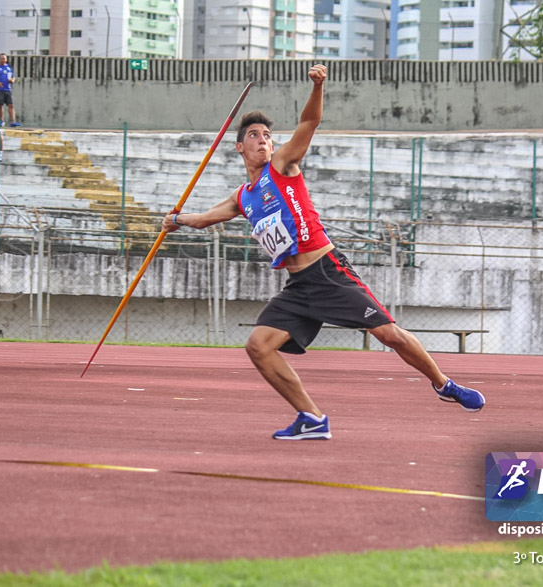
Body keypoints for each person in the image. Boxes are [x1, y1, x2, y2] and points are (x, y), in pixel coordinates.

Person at [161, 65, 485, 441]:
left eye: (267, 135)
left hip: (328, 272)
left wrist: (318, 86)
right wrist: (177, 219)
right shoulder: (242, 196)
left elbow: (310, 122)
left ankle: (444, 384)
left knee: (390, 335)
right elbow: (205, 218)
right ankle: (312, 418)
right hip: (298, 286)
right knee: (258, 346)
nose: (263, 141)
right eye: (254, 136)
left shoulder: (282, 166)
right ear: (239, 147)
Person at [0, 53, 21, 128]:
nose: (3, 59)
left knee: (11, 105)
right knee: (0, 105)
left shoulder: (9, 67)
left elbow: (13, 77)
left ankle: (13, 121)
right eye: (2, 58)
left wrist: (12, 80)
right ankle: (1, 120)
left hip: (8, 89)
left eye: (4, 58)